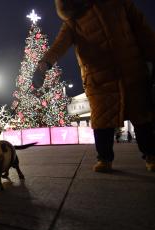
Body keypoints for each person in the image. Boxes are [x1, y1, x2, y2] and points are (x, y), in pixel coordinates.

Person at [32, 0, 155, 173]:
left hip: (132, 71)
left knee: (143, 117)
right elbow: (59, 45)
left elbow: (143, 31)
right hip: (100, 79)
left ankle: (151, 155)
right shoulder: (73, 21)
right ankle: (104, 158)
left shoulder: (119, 3)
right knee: (102, 121)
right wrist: (44, 64)